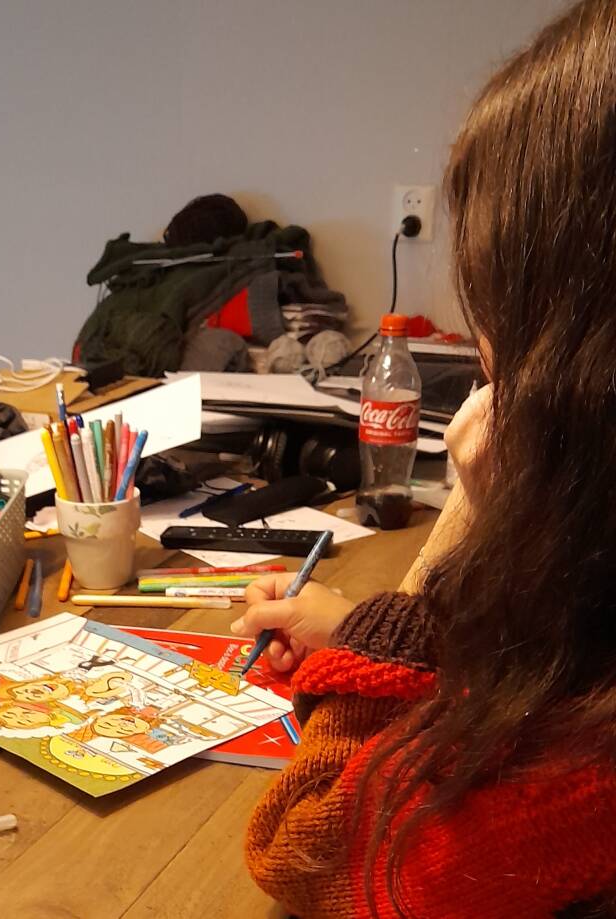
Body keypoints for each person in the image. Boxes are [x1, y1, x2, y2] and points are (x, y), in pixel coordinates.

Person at [231, 2, 616, 916]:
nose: (484, 357)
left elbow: (310, 851)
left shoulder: (586, 774)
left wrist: (444, 560)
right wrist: (374, 633)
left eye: (500, 321)